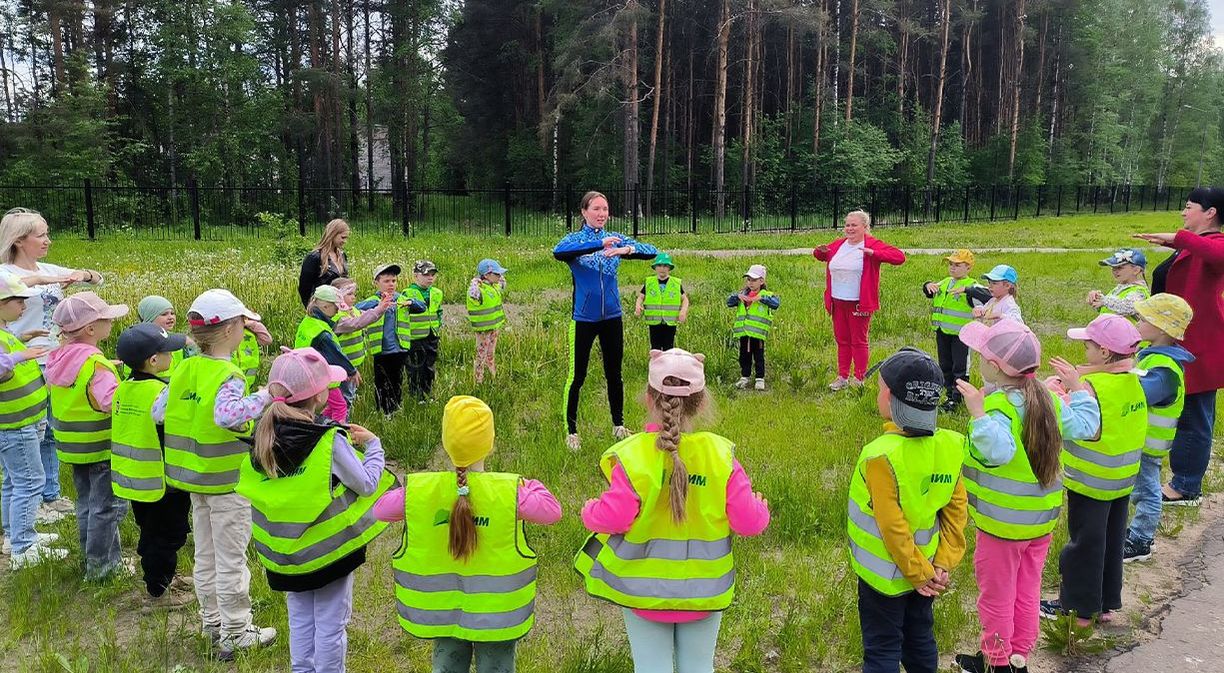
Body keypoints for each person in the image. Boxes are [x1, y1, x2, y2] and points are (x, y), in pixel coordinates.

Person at [575, 348, 769, 673]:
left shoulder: (634, 457)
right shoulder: (719, 457)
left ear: (648, 399)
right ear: (702, 403)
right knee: (699, 666)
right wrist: (760, 508)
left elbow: (615, 517)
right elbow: (749, 522)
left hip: (644, 594)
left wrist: (589, 511)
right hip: (704, 593)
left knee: (652, 668)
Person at [951, 320, 1100, 673]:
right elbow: (1087, 426)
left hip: (1003, 525)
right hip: (1040, 522)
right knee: (1027, 590)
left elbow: (998, 451)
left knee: (997, 596)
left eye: (981, 355)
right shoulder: (1047, 398)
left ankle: (997, 662)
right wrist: (1078, 389)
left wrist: (978, 414)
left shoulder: (998, 408)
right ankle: (1019, 655)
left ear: (994, 366)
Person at [237, 348, 396, 673]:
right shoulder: (328, 441)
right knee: (331, 626)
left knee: (300, 621)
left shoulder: (263, 437)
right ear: (318, 396)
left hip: (286, 557)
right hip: (328, 555)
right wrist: (374, 445)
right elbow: (366, 484)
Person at [377, 395, 560, 673]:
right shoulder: (510, 492)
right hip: (496, 615)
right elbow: (552, 512)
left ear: (446, 443)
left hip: (444, 612)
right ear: (490, 443)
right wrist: (529, 483)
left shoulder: (422, 491)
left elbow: (380, 510)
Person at [164, 289, 277, 659]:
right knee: (231, 558)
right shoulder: (228, 374)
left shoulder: (184, 368)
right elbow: (227, 416)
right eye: (243, 323)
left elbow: (159, 411)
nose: (245, 329)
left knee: (206, 554)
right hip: (227, 482)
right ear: (230, 330)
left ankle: (211, 622)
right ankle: (236, 631)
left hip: (193, 478)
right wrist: (265, 396)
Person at [848, 348, 966, 673]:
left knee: (883, 647)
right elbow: (956, 511)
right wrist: (941, 563)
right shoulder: (950, 447)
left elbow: (891, 525)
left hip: (886, 577)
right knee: (920, 640)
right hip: (928, 570)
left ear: (888, 398)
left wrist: (916, 572)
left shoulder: (880, 456)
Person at [0, 207, 106, 524]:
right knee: (27, 433)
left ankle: (49, 494)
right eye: (41, 235)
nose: (48, 240)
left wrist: (83, 275)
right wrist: (44, 279)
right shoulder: (6, 274)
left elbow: (98, 279)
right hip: (20, 362)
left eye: (47, 234)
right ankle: (30, 500)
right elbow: (17, 285)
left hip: (54, 359)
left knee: (49, 429)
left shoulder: (49, 268)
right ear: (19, 241)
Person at [1040, 314, 1146, 627]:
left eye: (1088, 346)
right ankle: (1105, 603)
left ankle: (1079, 610)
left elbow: (1075, 423)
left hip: (1091, 481)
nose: (1084, 351)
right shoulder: (1133, 380)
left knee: (1085, 545)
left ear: (1103, 351)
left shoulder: (1092, 385)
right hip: (1122, 480)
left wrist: (1061, 391)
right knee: (1112, 542)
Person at [1134, 186, 1224, 507]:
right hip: (1181, 342)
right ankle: (1181, 480)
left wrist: (1178, 238)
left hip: (1200, 346)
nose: (1184, 212)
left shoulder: (1215, 244)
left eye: (1189, 206)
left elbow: (1216, 255)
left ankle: (1186, 487)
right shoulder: (1194, 244)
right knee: (1184, 412)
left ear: (1210, 213)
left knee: (1194, 417)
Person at [553, 191, 658, 451]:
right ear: (584, 212)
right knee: (577, 376)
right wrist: (599, 245)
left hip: (612, 317)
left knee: (615, 373)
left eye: (605, 209)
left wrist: (626, 249)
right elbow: (559, 251)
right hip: (583, 319)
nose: (602, 214)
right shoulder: (575, 240)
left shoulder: (615, 238)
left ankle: (618, 425)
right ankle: (571, 431)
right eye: (596, 209)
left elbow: (652, 251)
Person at [46, 291, 128, 580]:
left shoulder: (59, 357)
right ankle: (102, 568)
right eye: (106, 318)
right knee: (107, 508)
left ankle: (92, 557)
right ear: (91, 329)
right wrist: (129, 391)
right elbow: (110, 401)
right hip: (100, 446)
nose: (111, 322)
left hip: (73, 446)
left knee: (86, 504)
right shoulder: (95, 363)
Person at [111, 322, 194, 607]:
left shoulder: (124, 388)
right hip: (162, 482)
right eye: (168, 352)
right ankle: (158, 592)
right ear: (154, 360)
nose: (172, 356)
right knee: (167, 536)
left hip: (134, 477)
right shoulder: (160, 394)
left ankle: (162, 577)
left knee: (150, 531)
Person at [1124, 294, 1195, 563]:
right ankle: (1139, 533)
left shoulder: (1164, 368)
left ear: (1162, 329)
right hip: (1141, 440)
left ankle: (1141, 540)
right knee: (1142, 489)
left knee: (1147, 492)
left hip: (1147, 443)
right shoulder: (1154, 357)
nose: (1137, 323)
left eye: (1143, 319)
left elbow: (1142, 393)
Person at [0, 272, 61, 568]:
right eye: (19, 301)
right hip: (16, 425)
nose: (24, 307)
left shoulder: (5, 331)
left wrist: (22, 340)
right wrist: (21, 356)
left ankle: (13, 535)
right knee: (30, 481)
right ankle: (24, 547)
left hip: (21, 422)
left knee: (13, 482)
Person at [812, 210, 906, 391]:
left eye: (854, 225)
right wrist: (819, 251)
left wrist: (874, 253)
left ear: (865, 227)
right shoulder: (839, 244)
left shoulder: (872, 244)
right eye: (847, 225)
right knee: (842, 340)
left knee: (858, 341)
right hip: (837, 301)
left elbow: (899, 257)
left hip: (858, 302)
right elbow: (822, 255)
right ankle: (842, 377)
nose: (849, 228)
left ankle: (859, 378)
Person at [354, 263, 426, 414]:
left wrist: (411, 302)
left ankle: (395, 407)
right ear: (377, 282)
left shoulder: (401, 299)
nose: (391, 284)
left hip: (400, 348)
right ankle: (382, 408)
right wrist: (378, 304)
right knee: (381, 380)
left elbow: (422, 307)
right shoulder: (374, 300)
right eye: (386, 281)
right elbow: (357, 308)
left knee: (397, 379)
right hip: (381, 349)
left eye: (393, 281)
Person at [922, 249, 983, 410]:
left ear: (968, 267)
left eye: (957, 265)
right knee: (945, 365)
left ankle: (957, 398)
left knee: (960, 368)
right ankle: (949, 393)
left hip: (962, 336)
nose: (952, 268)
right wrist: (927, 285)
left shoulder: (972, 285)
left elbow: (986, 296)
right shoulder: (946, 282)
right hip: (942, 332)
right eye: (950, 264)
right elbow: (930, 291)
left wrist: (968, 291)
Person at [294, 285, 358, 423]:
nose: (337, 311)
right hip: (321, 375)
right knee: (340, 406)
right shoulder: (322, 332)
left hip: (306, 372)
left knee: (332, 406)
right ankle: (337, 432)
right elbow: (335, 354)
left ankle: (322, 423)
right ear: (325, 306)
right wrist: (352, 371)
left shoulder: (309, 321)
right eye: (336, 307)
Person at [330, 277, 392, 409]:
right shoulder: (337, 317)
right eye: (349, 294)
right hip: (342, 364)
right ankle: (341, 419)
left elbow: (367, 317)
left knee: (348, 396)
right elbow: (357, 323)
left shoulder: (353, 311)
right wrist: (380, 309)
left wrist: (382, 307)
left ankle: (339, 417)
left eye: (354, 294)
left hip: (351, 363)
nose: (353, 297)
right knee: (345, 398)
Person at [727, 264, 780, 391]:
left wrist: (762, 298)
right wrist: (737, 297)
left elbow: (776, 304)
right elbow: (729, 302)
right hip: (744, 332)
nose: (750, 283)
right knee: (744, 356)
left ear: (761, 281)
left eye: (754, 280)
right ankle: (744, 377)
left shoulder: (766, 295)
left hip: (758, 334)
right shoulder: (742, 294)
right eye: (748, 279)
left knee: (758, 356)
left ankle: (760, 378)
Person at [405, 260, 443, 400]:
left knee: (429, 366)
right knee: (415, 367)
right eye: (426, 274)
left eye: (433, 274)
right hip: (415, 337)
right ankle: (416, 394)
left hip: (432, 336)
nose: (430, 278)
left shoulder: (437, 292)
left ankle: (427, 392)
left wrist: (437, 326)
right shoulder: (408, 293)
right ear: (416, 275)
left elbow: (438, 312)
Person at [634, 253, 688, 351]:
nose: (662, 268)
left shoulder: (675, 283)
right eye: (659, 265)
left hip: (670, 322)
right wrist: (638, 306)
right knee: (655, 348)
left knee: (668, 348)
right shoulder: (649, 282)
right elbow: (641, 297)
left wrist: (683, 311)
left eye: (665, 266)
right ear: (655, 267)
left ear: (669, 268)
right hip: (654, 322)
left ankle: (667, 361)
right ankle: (656, 361)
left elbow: (685, 299)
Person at [467, 259, 508, 384]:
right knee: (481, 355)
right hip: (483, 330)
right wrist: (475, 282)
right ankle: (478, 380)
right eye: (496, 273)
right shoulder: (479, 289)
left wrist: (499, 276)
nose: (500, 276)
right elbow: (472, 294)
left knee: (491, 353)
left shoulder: (494, 286)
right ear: (486, 275)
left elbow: (503, 283)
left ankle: (491, 376)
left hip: (494, 328)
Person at [298, 218, 351, 308]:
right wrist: (311, 308)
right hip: (322, 306)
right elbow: (304, 288)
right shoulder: (314, 257)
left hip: (340, 306)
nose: (345, 241)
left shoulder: (342, 255)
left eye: (346, 238)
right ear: (332, 234)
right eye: (342, 237)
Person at [1087, 248, 1149, 320]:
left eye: (1120, 267)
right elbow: (1112, 308)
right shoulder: (1120, 289)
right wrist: (1097, 299)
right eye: (1113, 268)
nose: (1115, 271)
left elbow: (1128, 307)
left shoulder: (1139, 291)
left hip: (1128, 327)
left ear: (1136, 270)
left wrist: (1104, 300)